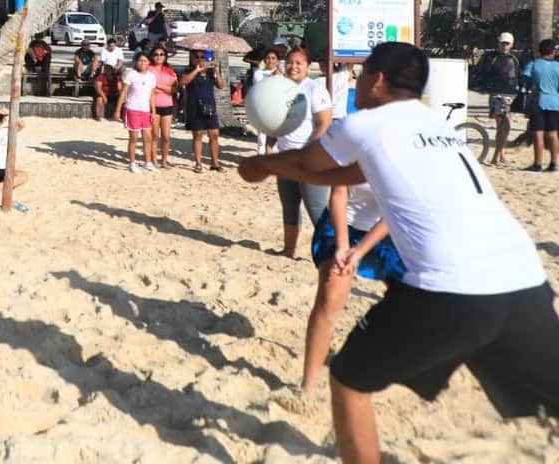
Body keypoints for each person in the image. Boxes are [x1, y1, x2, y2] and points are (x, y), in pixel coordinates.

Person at [238, 42, 559, 464]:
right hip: (525, 279)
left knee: (350, 379)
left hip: (450, 287)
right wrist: (272, 168)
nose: (357, 84)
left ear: (377, 80)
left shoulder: (365, 124)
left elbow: (310, 166)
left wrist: (261, 166)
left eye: (363, 73)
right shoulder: (435, 124)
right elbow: (357, 172)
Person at [302, 182, 404, 391]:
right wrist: (343, 246)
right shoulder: (356, 150)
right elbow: (339, 194)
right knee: (330, 298)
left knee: (409, 299)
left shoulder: (412, 157)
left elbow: (396, 210)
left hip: (386, 232)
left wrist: (360, 250)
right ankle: (307, 387)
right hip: (341, 226)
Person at [273, 48, 333, 257]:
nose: (293, 67)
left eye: (299, 63)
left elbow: (324, 123)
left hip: (310, 160)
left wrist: (309, 150)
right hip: (285, 157)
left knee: (316, 210)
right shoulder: (280, 90)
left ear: (308, 67)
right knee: (289, 206)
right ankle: (289, 250)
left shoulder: (315, 90)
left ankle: (331, 255)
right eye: (290, 62)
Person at [180, 49, 225, 173]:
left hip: (209, 106)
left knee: (214, 134)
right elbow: (183, 82)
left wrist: (216, 71)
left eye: (202, 57)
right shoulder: (188, 71)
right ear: (192, 58)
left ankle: (215, 162)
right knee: (198, 134)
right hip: (195, 106)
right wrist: (196, 70)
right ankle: (198, 163)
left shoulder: (211, 73)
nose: (200, 59)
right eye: (197, 57)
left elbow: (221, 86)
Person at [114, 52, 158, 173]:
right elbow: (123, 93)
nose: (143, 63)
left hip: (146, 110)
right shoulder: (131, 75)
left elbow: (152, 95)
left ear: (149, 62)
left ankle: (148, 162)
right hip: (132, 108)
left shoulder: (151, 76)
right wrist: (118, 110)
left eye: (145, 61)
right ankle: (132, 162)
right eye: (140, 61)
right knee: (133, 137)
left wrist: (153, 111)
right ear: (136, 62)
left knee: (148, 137)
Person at [521, 38, 559, 172]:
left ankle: (537, 164)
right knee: (553, 133)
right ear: (553, 51)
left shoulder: (533, 64)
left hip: (538, 102)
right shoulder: (558, 66)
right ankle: (554, 163)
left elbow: (523, 81)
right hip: (555, 103)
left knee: (538, 133)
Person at [486, 32, 520, 166]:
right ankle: (496, 156)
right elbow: (486, 75)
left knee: (503, 127)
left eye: (507, 43)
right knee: (504, 126)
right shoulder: (492, 58)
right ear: (498, 43)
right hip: (497, 95)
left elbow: (519, 75)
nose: (504, 46)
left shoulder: (515, 58)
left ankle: (501, 155)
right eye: (502, 43)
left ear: (511, 44)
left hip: (512, 96)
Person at [150, 47, 178, 168]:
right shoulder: (149, 70)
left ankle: (164, 160)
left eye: (162, 54)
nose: (159, 56)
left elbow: (174, 89)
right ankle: (153, 159)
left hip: (167, 105)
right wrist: (165, 88)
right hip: (153, 105)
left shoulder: (169, 70)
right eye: (156, 54)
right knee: (155, 135)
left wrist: (159, 86)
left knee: (166, 136)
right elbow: (150, 89)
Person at [252, 49, 283, 154]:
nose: (270, 60)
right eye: (268, 58)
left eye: (273, 58)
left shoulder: (282, 75)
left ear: (278, 61)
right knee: (262, 138)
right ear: (265, 60)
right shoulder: (258, 73)